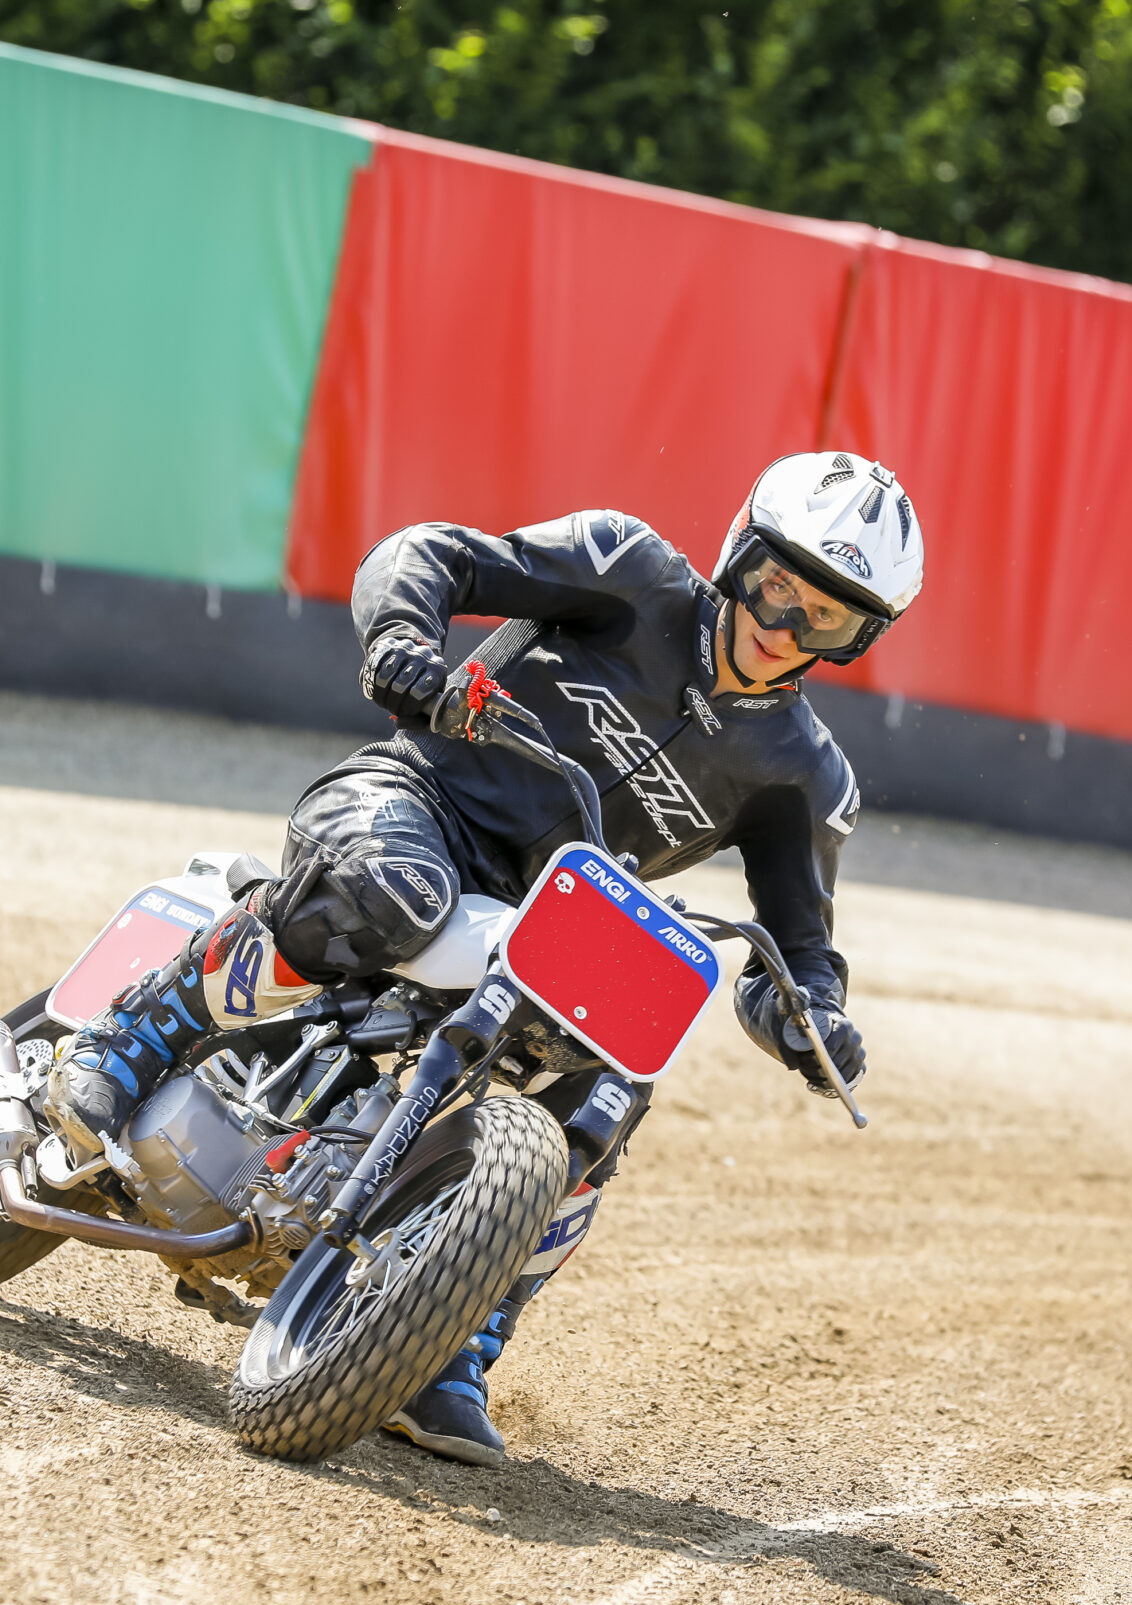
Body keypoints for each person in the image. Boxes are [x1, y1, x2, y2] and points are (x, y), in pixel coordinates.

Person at [45, 451, 925, 1466]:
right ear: (741, 553)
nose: (784, 627)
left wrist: (811, 1020)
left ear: (859, 638)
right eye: (777, 586)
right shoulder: (627, 569)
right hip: (415, 802)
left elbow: (796, 952)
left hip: (553, 923)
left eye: (827, 618)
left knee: (617, 1078)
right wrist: (402, 644)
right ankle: (136, 1032)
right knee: (398, 893)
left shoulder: (806, 775)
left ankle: (457, 1335)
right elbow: (428, 554)